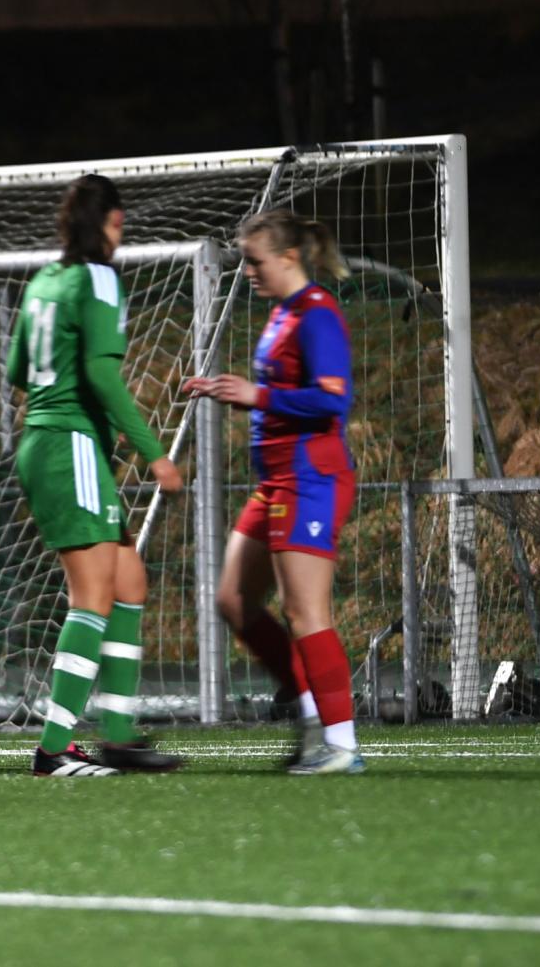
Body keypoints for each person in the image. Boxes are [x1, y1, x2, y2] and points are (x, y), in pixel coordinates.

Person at [5, 175, 184, 778]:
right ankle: (53, 749)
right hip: (70, 446)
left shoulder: (44, 281)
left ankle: (120, 736)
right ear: (109, 223)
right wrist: (154, 454)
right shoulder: (99, 278)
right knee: (94, 596)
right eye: (118, 225)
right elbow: (104, 376)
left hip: (49, 441)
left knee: (129, 582)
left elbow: (18, 370)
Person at [183, 209, 361, 775]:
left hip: (311, 478)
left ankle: (341, 745)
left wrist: (257, 396)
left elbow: (333, 398)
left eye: (254, 261)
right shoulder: (283, 312)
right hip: (277, 483)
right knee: (234, 600)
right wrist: (226, 390)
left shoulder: (317, 313)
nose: (248, 271)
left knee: (306, 611)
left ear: (288, 257)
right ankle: (308, 708)